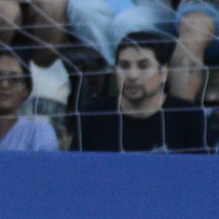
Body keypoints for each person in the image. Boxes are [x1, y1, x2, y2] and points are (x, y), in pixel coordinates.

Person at [73, 30, 207, 152]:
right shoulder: (93, 115)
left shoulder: (189, 117)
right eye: (124, 66)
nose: (132, 75)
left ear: (163, 73)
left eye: (143, 66)